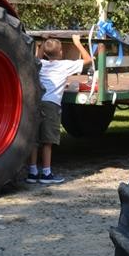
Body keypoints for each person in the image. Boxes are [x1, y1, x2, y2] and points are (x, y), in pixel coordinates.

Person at [28, 35, 92, 185]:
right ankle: (46, 173)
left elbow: (37, 58)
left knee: (34, 140)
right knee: (48, 141)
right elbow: (88, 60)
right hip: (51, 105)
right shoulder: (64, 65)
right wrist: (77, 43)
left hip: (37, 103)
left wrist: (42, 44)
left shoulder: (41, 64)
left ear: (45, 52)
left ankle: (32, 172)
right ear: (61, 52)